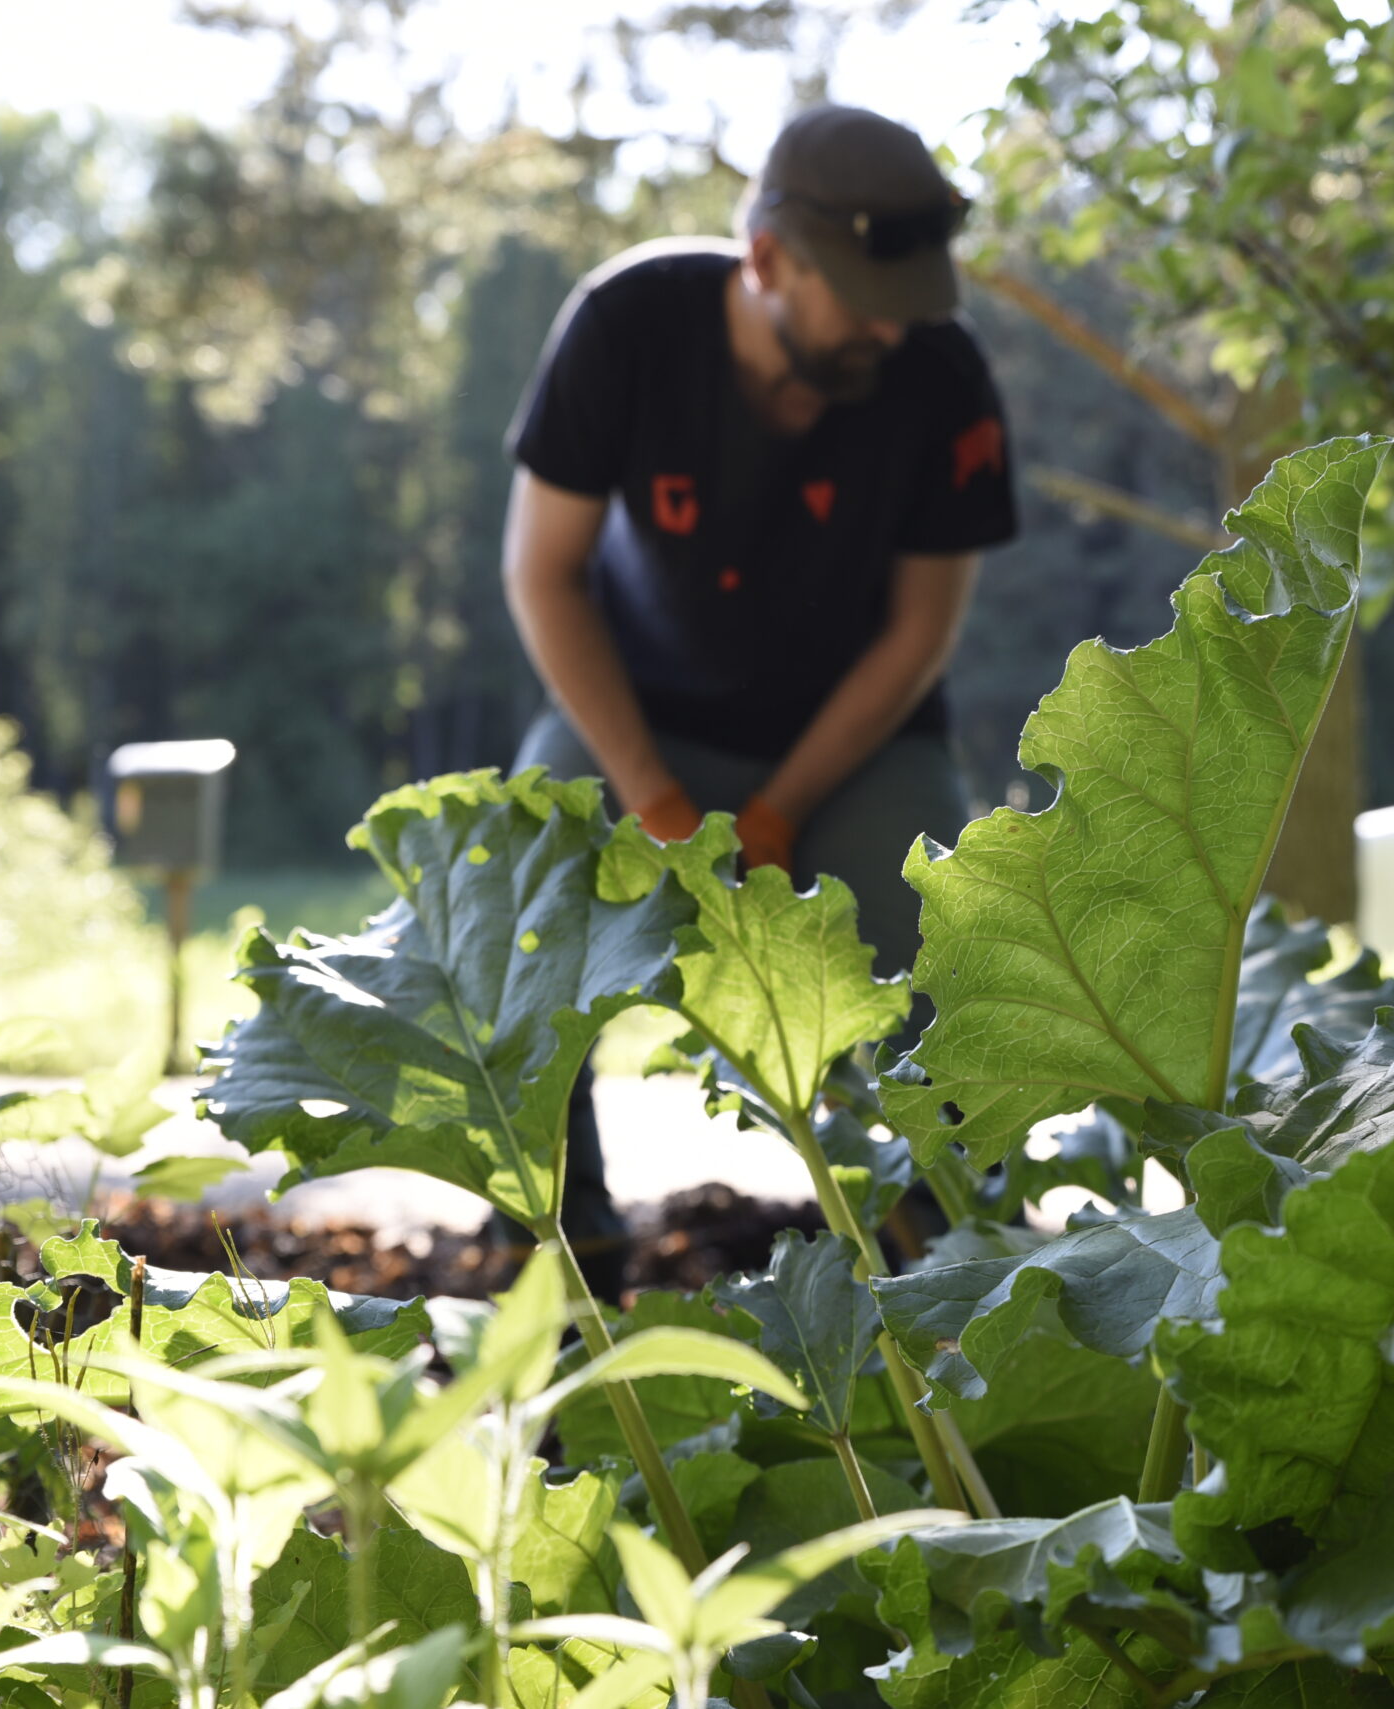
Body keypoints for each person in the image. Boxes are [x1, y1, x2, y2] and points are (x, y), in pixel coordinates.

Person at [498, 105, 1019, 1290]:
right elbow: (543, 575)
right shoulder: (623, 324)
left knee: (956, 940)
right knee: (519, 902)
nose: (890, 326)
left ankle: (954, 1262)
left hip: (855, 743)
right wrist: (654, 794)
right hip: (636, 719)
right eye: (863, 295)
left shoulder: (940, 370)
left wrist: (781, 808)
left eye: (909, 299)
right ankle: (567, 1255)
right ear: (769, 258)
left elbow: (921, 628)